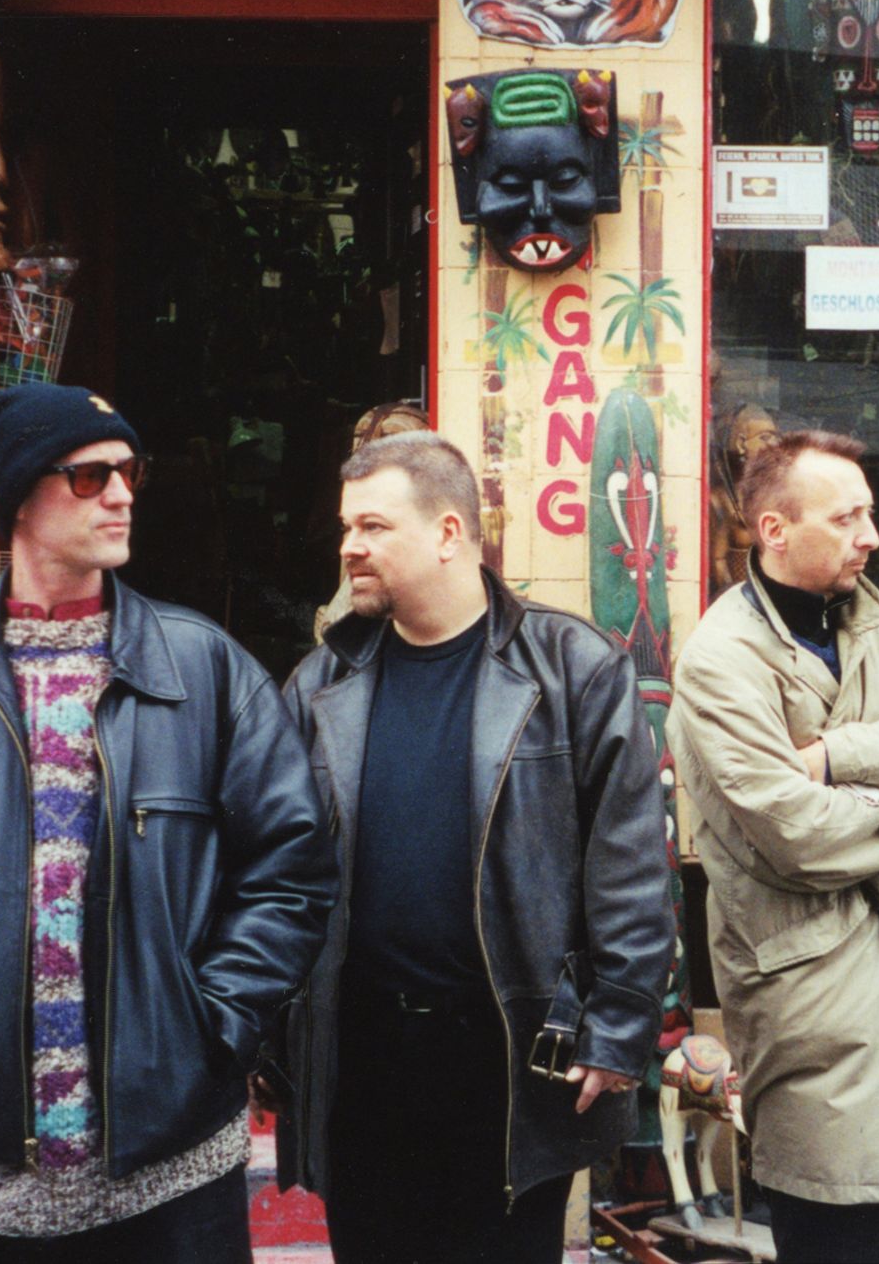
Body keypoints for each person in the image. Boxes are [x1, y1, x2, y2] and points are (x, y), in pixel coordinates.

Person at [0, 382, 333, 1263]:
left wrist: (214, 1022)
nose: (121, 494)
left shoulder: (207, 671)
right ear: (18, 497)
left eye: (128, 472)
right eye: (89, 476)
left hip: (175, 1161)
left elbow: (289, 870)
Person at [275, 432, 674, 1264]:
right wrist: (272, 1035)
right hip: (364, 1063)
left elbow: (632, 868)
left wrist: (619, 1027)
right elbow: (278, 870)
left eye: (375, 527)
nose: (350, 546)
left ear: (449, 532)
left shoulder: (574, 671)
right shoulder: (320, 683)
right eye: (348, 528)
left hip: (511, 1061)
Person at [668, 430, 879, 1264]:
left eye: (868, 513)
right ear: (774, 531)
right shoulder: (720, 659)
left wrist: (837, 756)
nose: (873, 536)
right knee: (846, 1226)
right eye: (847, 516)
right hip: (817, 1013)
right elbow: (796, 836)